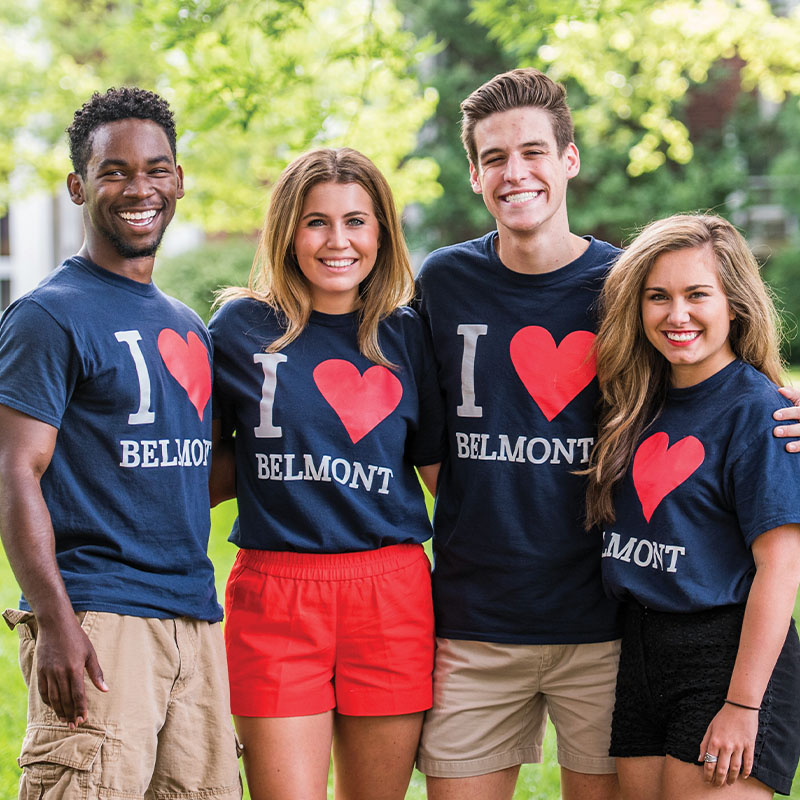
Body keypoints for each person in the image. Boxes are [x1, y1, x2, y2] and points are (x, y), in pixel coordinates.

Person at [0, 88, 241, 799]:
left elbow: (191, 475)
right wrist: (54, 619)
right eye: (115, 171)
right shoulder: (49, 315)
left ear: (179, 179)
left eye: (157, 169)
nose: (140, 188)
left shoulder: (187, 326)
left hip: (192, 621)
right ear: (79, 185)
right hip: (100, 620)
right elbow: (14, 469)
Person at [208, 147, 445, 800]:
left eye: (356, 221)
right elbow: (195, 462)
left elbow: (440, 472)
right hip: (275, 590)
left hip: (390, 593)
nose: (337, 241)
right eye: (316, 222)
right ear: (288, 232)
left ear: (381, 233)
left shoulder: (406, 335)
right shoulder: (240, 329)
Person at [414, 67, 623, 800]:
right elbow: (431, 447)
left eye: (534, 151)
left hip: (607, 620)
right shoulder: (442, 282)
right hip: (476, 623)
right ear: (475, 174)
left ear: (568, 160)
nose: (516, 172)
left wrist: (773, 396)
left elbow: (710, 365)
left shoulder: (627, 284)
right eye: (495, 157)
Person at [585, 213, 800, 798]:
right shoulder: (635, 403)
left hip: (729, 654)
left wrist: (742, 703)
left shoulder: (761, 412)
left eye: (697, 294)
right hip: (644, 650)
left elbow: (781, 568)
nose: (677, 315)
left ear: (734, 303)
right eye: (658, 297)